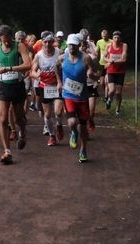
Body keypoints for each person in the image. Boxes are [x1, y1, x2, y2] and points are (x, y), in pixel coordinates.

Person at [0, 24, 33, 164]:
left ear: (11, 37)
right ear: (0, 38)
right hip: (3, 87)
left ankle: (22, 134)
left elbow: (28, 65)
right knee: (3, 119)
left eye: (7, 40)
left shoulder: (19, 46)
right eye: (3, 39)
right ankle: (7, 151)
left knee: (19, 119)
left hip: (17, 86)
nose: (5, 42)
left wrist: (9, 68)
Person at [60, 34, 97, 163]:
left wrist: (92, 75)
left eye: (74, 45)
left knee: (83, 126)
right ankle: (73, 133)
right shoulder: (63, 57)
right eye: (69, 45)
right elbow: (55, 66)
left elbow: (96, 73)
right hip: (68, 96)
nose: (71, 48)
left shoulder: (86, 58)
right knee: (71, 123)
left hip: (82, 98)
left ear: (78, 46)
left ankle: (84, 149)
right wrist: (59, 82)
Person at [30, 33, 63, 147]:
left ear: (53, 41)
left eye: (49, 41)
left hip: (57, 86)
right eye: (45, 42)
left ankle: (59, 125)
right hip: (45, 87)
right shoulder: (39, 55)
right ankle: (52, 136)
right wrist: (37, 75)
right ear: (42, 42)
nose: (47, 44)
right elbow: (32, 71)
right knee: (48, 115)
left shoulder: (59, 52)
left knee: (58, 112)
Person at [104, 30, 128, 115]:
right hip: (111, 71)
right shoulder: (109, 46)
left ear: (120, 38)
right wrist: (108, 60)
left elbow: (124, 59)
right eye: (115, 37)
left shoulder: (124, 45)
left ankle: (117, 109)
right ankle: (109, 100)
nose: (116, 39)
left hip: (120, 72)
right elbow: (104, 57)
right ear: (112, 38)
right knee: (112, 90)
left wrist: (113, 61)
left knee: (118, 93)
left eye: (118, 37)